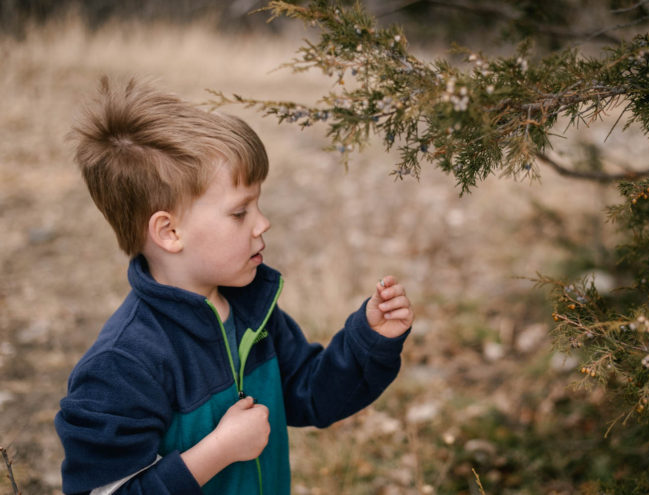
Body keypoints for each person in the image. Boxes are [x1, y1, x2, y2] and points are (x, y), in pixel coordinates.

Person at [54, 77, 414, 495]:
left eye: (258, 204)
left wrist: (369, 341)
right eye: (240, 212)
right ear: (169, 232)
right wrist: (217, 452)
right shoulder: (123, 364)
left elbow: (310, 393)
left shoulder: (250, 309)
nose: (263, 223)